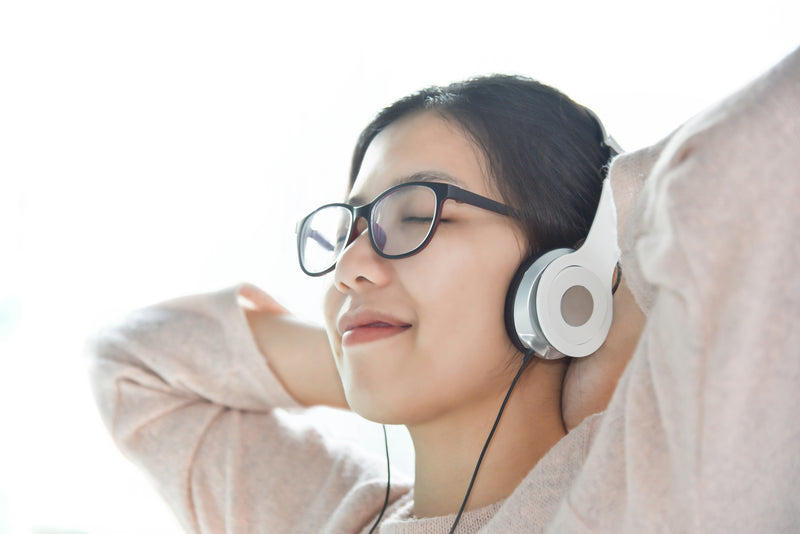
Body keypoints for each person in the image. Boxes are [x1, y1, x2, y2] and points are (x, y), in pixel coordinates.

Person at [88, 46, 800, 533]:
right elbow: (132, 363)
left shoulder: (645, 485)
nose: (350, 267)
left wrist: (603, 336)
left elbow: (742, 169)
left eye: (417, 216)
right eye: (350, 231)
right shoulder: (331, 515)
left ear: (560, 279)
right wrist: (368, 355)